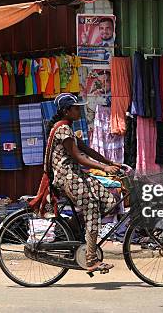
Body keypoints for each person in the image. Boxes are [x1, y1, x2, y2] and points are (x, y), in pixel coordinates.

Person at [45, 93, 120, 272]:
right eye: (76, 108)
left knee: (109, 201)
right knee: (92, 209)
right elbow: (78, 157)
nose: (79, 111)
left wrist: (109, 162)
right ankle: (91, 259)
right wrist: (104, 168)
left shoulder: (67, 127)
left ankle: (72, 231)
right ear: (66, 111)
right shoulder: (62, 129)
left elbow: (86, 149)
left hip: (76, 175)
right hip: (67, 178)